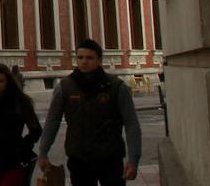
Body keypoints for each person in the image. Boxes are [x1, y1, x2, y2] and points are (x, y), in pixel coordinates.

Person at [37, 38, 142, 185]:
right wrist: (43, 152)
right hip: (79, 159)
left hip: (110, 158)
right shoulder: (65, 87)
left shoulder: (116, 87)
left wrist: (133, 159)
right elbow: (52, 121)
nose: (84, 61)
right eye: (80, 57)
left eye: (89, 57)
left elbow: (131, 124)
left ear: (99, 60)